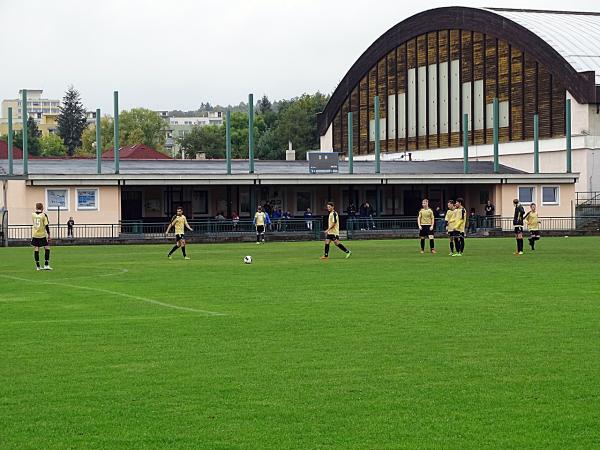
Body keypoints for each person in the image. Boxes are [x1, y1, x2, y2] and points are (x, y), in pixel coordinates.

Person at [31, 203, 52, 271]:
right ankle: (46, 264)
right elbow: (46, 225)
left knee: (36, 249)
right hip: (42, 234)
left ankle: (38, 267)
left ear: (36, 207)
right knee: (47, 248)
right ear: (42, 208)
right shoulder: (44, 215)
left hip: (35, 234)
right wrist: (49, 234)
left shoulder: (33, 214)